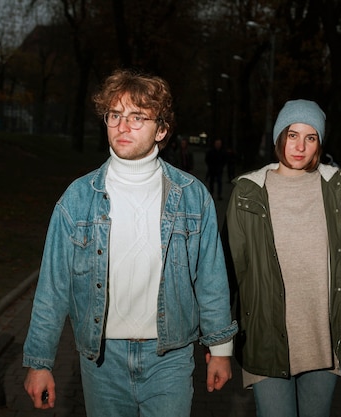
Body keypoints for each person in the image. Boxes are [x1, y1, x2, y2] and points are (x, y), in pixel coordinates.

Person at [23, 68, 238, 417]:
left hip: (170, 356)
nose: (123, 126)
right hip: (102, 359)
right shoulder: (77, 199)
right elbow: (52, 287)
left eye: (138, 117)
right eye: (115, 115)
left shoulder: (191, 197)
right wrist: (39, 362)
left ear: (162, 129)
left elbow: (211, 278)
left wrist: (221, 348)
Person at [225, 99, 341, 417]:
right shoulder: (247, 192)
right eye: (292, 134)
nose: (299, 146)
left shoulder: (338, 191)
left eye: (310, 138)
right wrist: (219, 341)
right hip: (265, 336)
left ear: (319, 143)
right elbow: (230, 272)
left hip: (324, 335)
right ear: (279, 137)